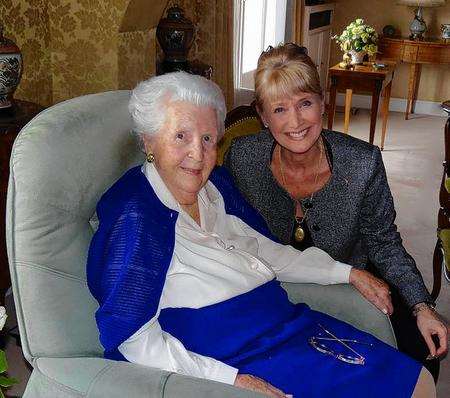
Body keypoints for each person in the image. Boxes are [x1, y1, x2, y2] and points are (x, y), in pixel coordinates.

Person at [87, 71, 435, 397]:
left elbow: (264, 251)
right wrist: (231, 379)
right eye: (181, 136)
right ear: (149, 139)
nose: (198, 153)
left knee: (415, 380)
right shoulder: (136, 213)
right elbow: (131, 336)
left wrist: (346, 272)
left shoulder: (216, 187)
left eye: (208, 138)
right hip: (227, 351)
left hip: (281, 323)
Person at [223, 43, 448, 380]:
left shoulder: (362, 162)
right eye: (280, 109)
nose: (296, 121)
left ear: (322, 103)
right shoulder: (242, 158)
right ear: (263, 116)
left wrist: (421, 305)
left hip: (352, 271)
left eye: (305, 104)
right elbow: (228, 231)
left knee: (421, 355)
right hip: (274, 283)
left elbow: (384, 243)